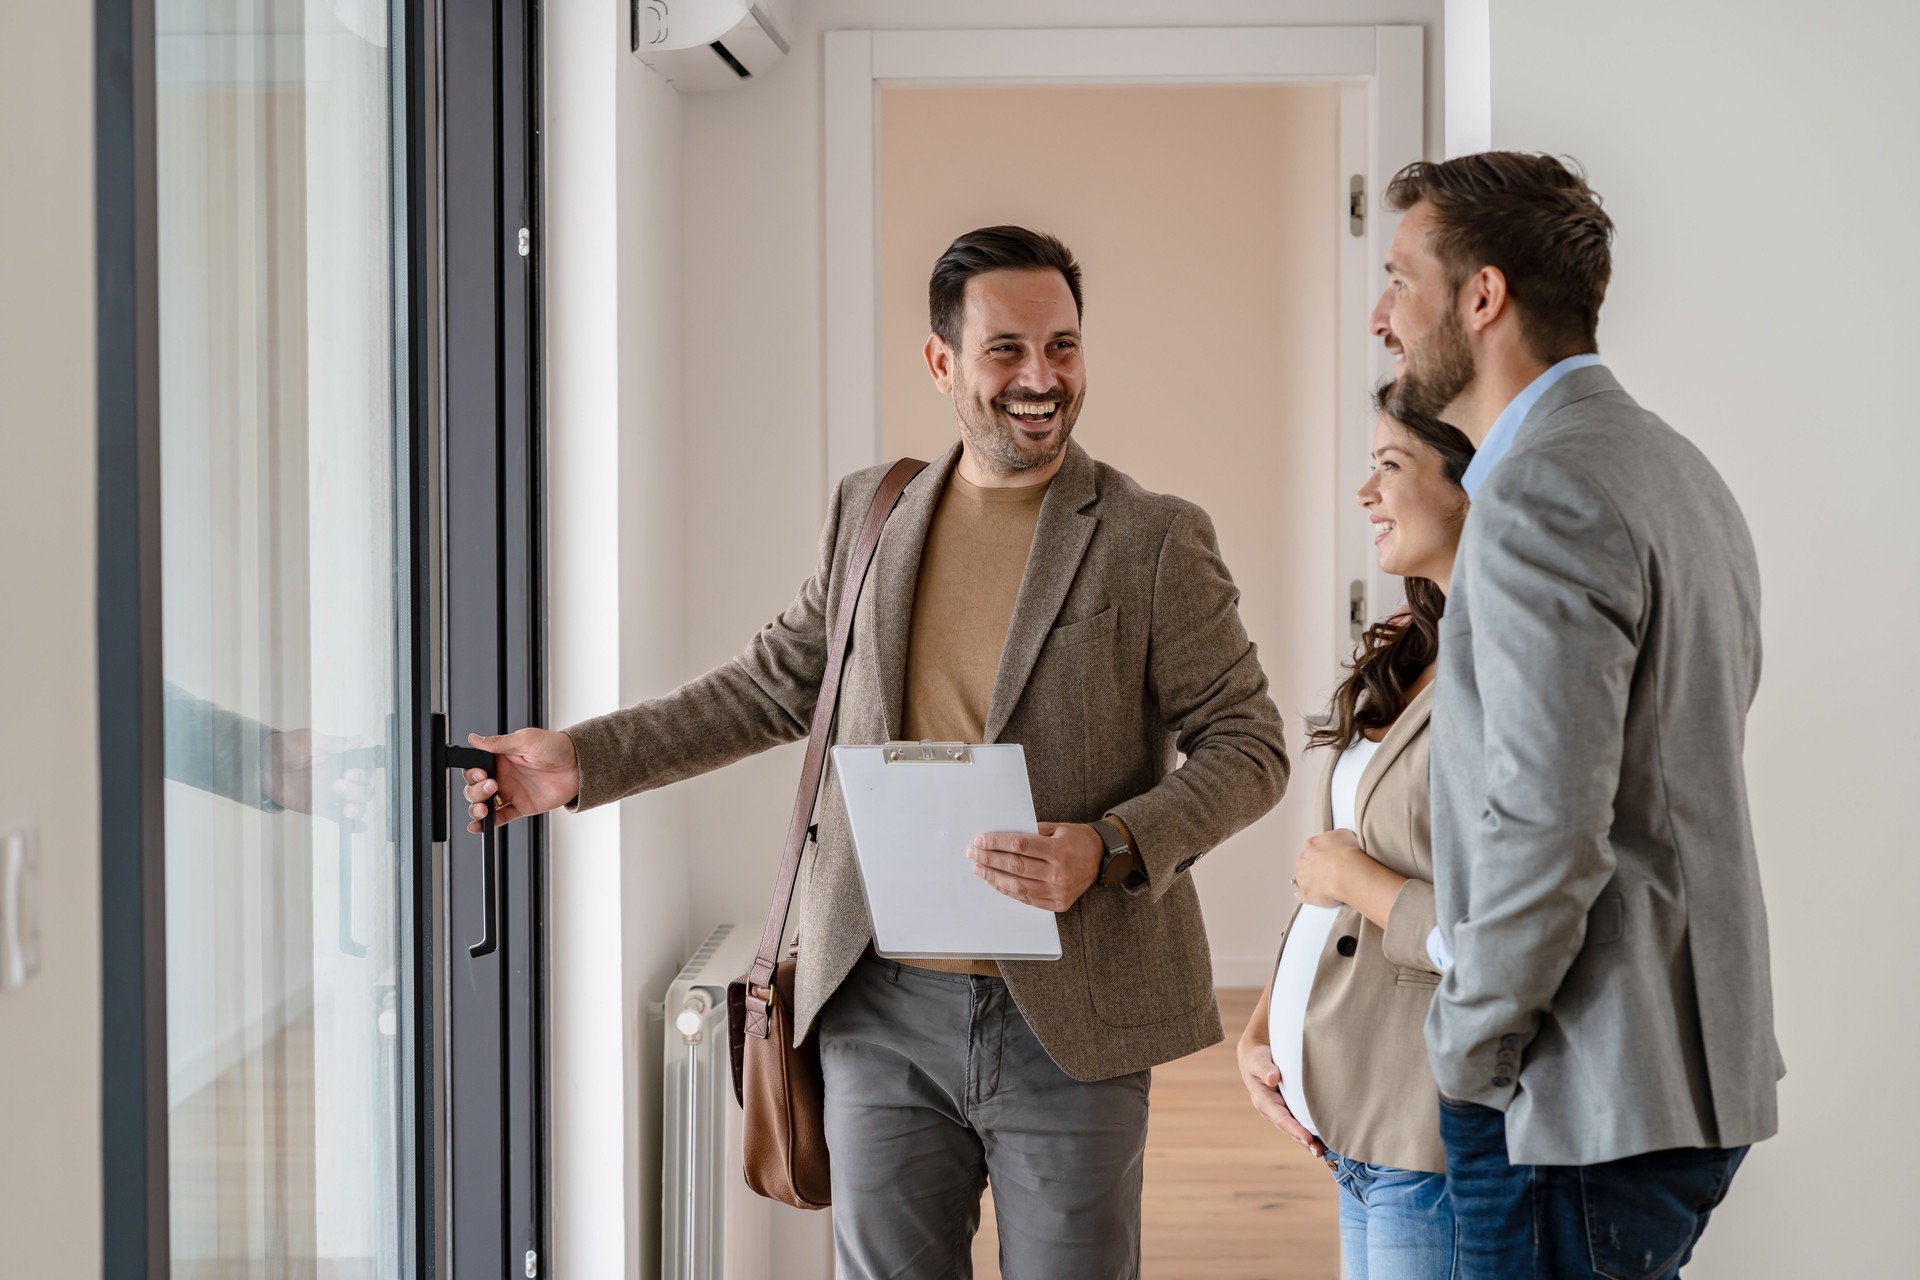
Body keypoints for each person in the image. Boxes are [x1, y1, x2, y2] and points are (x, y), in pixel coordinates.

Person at [459, 226, 1290, 1279]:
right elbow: (771, 684)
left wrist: (1110, 841)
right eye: (1007, 350)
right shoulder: (873, 511)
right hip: (878, 1002)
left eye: (1064, 347)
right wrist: (581, 758)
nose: (1042, 378)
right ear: (942, 362)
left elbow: (1250, 744)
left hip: (1073, 1008)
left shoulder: (1153, 534)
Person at [1377, 152, 1781, 1278]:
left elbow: (1546, 829)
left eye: (1400, 279)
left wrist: (1465, 1050)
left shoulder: (1540, 490)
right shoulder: (1675, 467)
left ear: (1483, 296)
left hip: (1574, 1093)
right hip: (1688, 1074)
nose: (1381, 314)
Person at [1239, 386, 1472, 1280]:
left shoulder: (1510, 672)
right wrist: (1263, 1027)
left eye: (1389, 466)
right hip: (1350, 1123)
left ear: (1467, 483)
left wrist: (1350, 879)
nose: (1366, 494)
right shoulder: (1415, 652)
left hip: (1428, 1132)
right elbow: (1324, 870)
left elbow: (1501, 937)